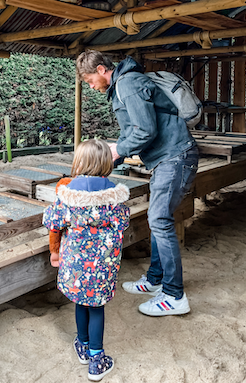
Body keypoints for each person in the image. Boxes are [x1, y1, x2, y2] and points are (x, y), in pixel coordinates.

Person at [76, 50, 198, 317]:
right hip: (165, 159)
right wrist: (108, 162)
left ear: (100, 70)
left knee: (159, 220)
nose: (91, 86)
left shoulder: (127, 84)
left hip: (174, 157)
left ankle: (175, 295)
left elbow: (145, 131)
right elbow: (134, 132)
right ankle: (155, 280)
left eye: (89, 81)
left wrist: (117, 150)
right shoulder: (125, 84)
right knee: (159, 218)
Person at [43, 139, 130, 382]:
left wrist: (54, 251)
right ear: (106, 163)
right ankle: (96, 358)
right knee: (97, 307)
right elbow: (123, 222)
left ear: (79, 162)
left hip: (75, 264)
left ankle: (82, 345)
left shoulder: (67, 194)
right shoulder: (115, 197)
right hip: (103, 266)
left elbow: (53, 221)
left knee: (80, 303)